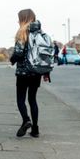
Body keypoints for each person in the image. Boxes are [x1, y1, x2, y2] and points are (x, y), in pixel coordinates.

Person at [10, 9, 50, 138]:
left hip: (23, 72)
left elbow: (19, 52)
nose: (17, 21)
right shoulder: (41, 33)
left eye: (19, 18)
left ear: (23, 19)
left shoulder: (22, 32)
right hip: (36, 72)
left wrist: (12, 60)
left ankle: (26, 120)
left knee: (21, 99)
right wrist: (46, 72)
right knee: (32, 99)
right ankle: (35, 129)